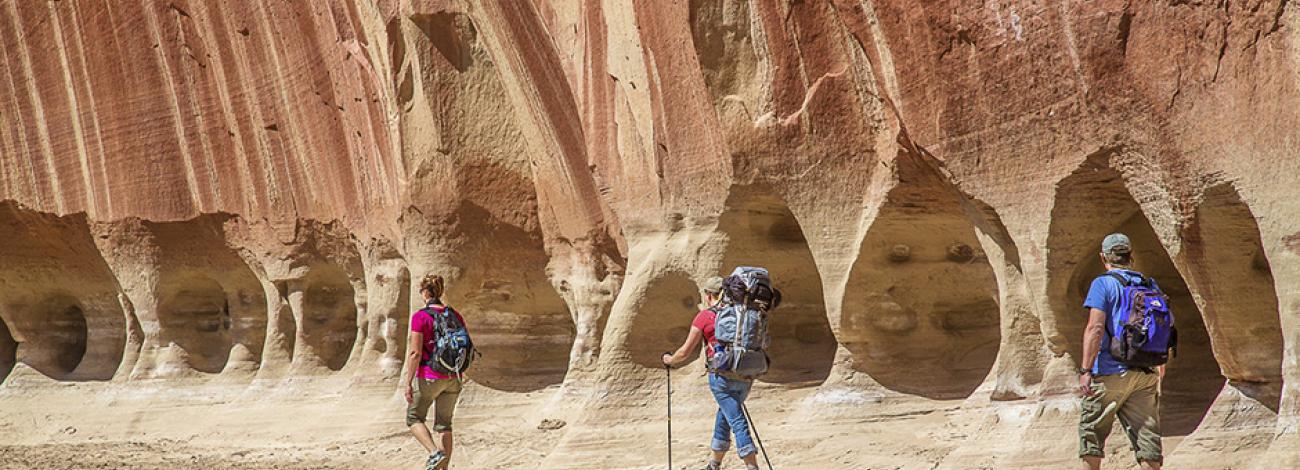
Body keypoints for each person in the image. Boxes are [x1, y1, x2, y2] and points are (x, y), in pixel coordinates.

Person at [1077, 233, 1165, 470]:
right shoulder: (1149, 284)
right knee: (1148, 444)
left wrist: (1085, 370)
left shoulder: (1103, 284)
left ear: (1103, 257)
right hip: (1145, 373)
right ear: (1130, 257)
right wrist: (1159, 369)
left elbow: (1095, 328)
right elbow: (1162, 328)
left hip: (1109, 372)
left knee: (1091, 436)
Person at [662, 276, 761, 470]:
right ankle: (713, 465)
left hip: (721, 377)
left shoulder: (705, 317)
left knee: (736, 420)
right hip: (745, 374)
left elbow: (684, 352)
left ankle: (752, 467)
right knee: (725, 415)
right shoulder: (741, 314)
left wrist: (669, 360)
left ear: (708, 295)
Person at [403, 274, 465, 470]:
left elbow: (415, 352)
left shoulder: (420, 316)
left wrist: (408, 381)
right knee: (444, 425)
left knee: (413, 418)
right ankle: (443, 467)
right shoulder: (455, 315)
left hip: (429, 376)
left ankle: (433, 452)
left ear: (425, 292)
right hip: (453, 377)